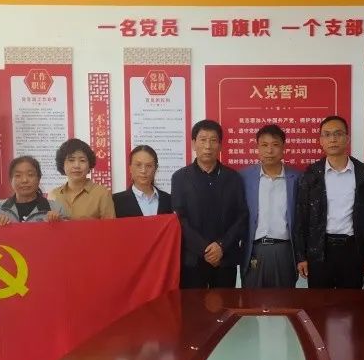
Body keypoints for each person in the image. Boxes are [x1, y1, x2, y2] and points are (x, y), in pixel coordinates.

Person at [294, 116, 364, 289]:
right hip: (319, 250)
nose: (332, 139)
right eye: (327, 134)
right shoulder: (311, 175)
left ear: (347, 138)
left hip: (353, 250)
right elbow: (301, 217)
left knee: (350, 302)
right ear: (321, 140)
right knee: (319, 302)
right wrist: (301, 256)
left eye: (338, 134)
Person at [171, 120, 248, 289]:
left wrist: (221, 246)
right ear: (193, 143)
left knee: (225, 305)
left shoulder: (233, 178)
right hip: (192, 260)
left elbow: (241, 216)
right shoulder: (180, 178)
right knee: (192, 305)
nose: (208, 146)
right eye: (203, 140)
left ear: (220, 146)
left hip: (224, 259)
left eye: (213, 140)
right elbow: (179, 219)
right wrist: (205, 249)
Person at [239, 124, 301, 288]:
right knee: (252, 301)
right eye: (264, 145)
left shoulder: (297, 178)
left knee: (284, 300)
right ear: (257, 148)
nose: (270, 150)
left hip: (285, 250)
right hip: (254, 250)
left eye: (275, 145)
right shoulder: (244, 178)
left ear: (283, 148)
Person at [49, 138, 115, 220]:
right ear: (62, 164)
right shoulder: (54, 195)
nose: (77, 165)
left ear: (89, 165)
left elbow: (110, 226)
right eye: (71, 160)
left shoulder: (102, 193)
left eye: (82, 160)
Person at [0, 156, 68, 224]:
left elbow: (68, 231)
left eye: (30, 175)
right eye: (18, 175)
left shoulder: (56, 208)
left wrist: (59, 223)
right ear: (11, 180)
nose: (24, 180)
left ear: (39, 178)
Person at [113, 145, 173, 218]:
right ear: (130, 168)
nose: (143, 171)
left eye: (149, 166)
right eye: (138, 165)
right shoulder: (116, 201)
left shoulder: (169, 200)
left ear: (155, 168)